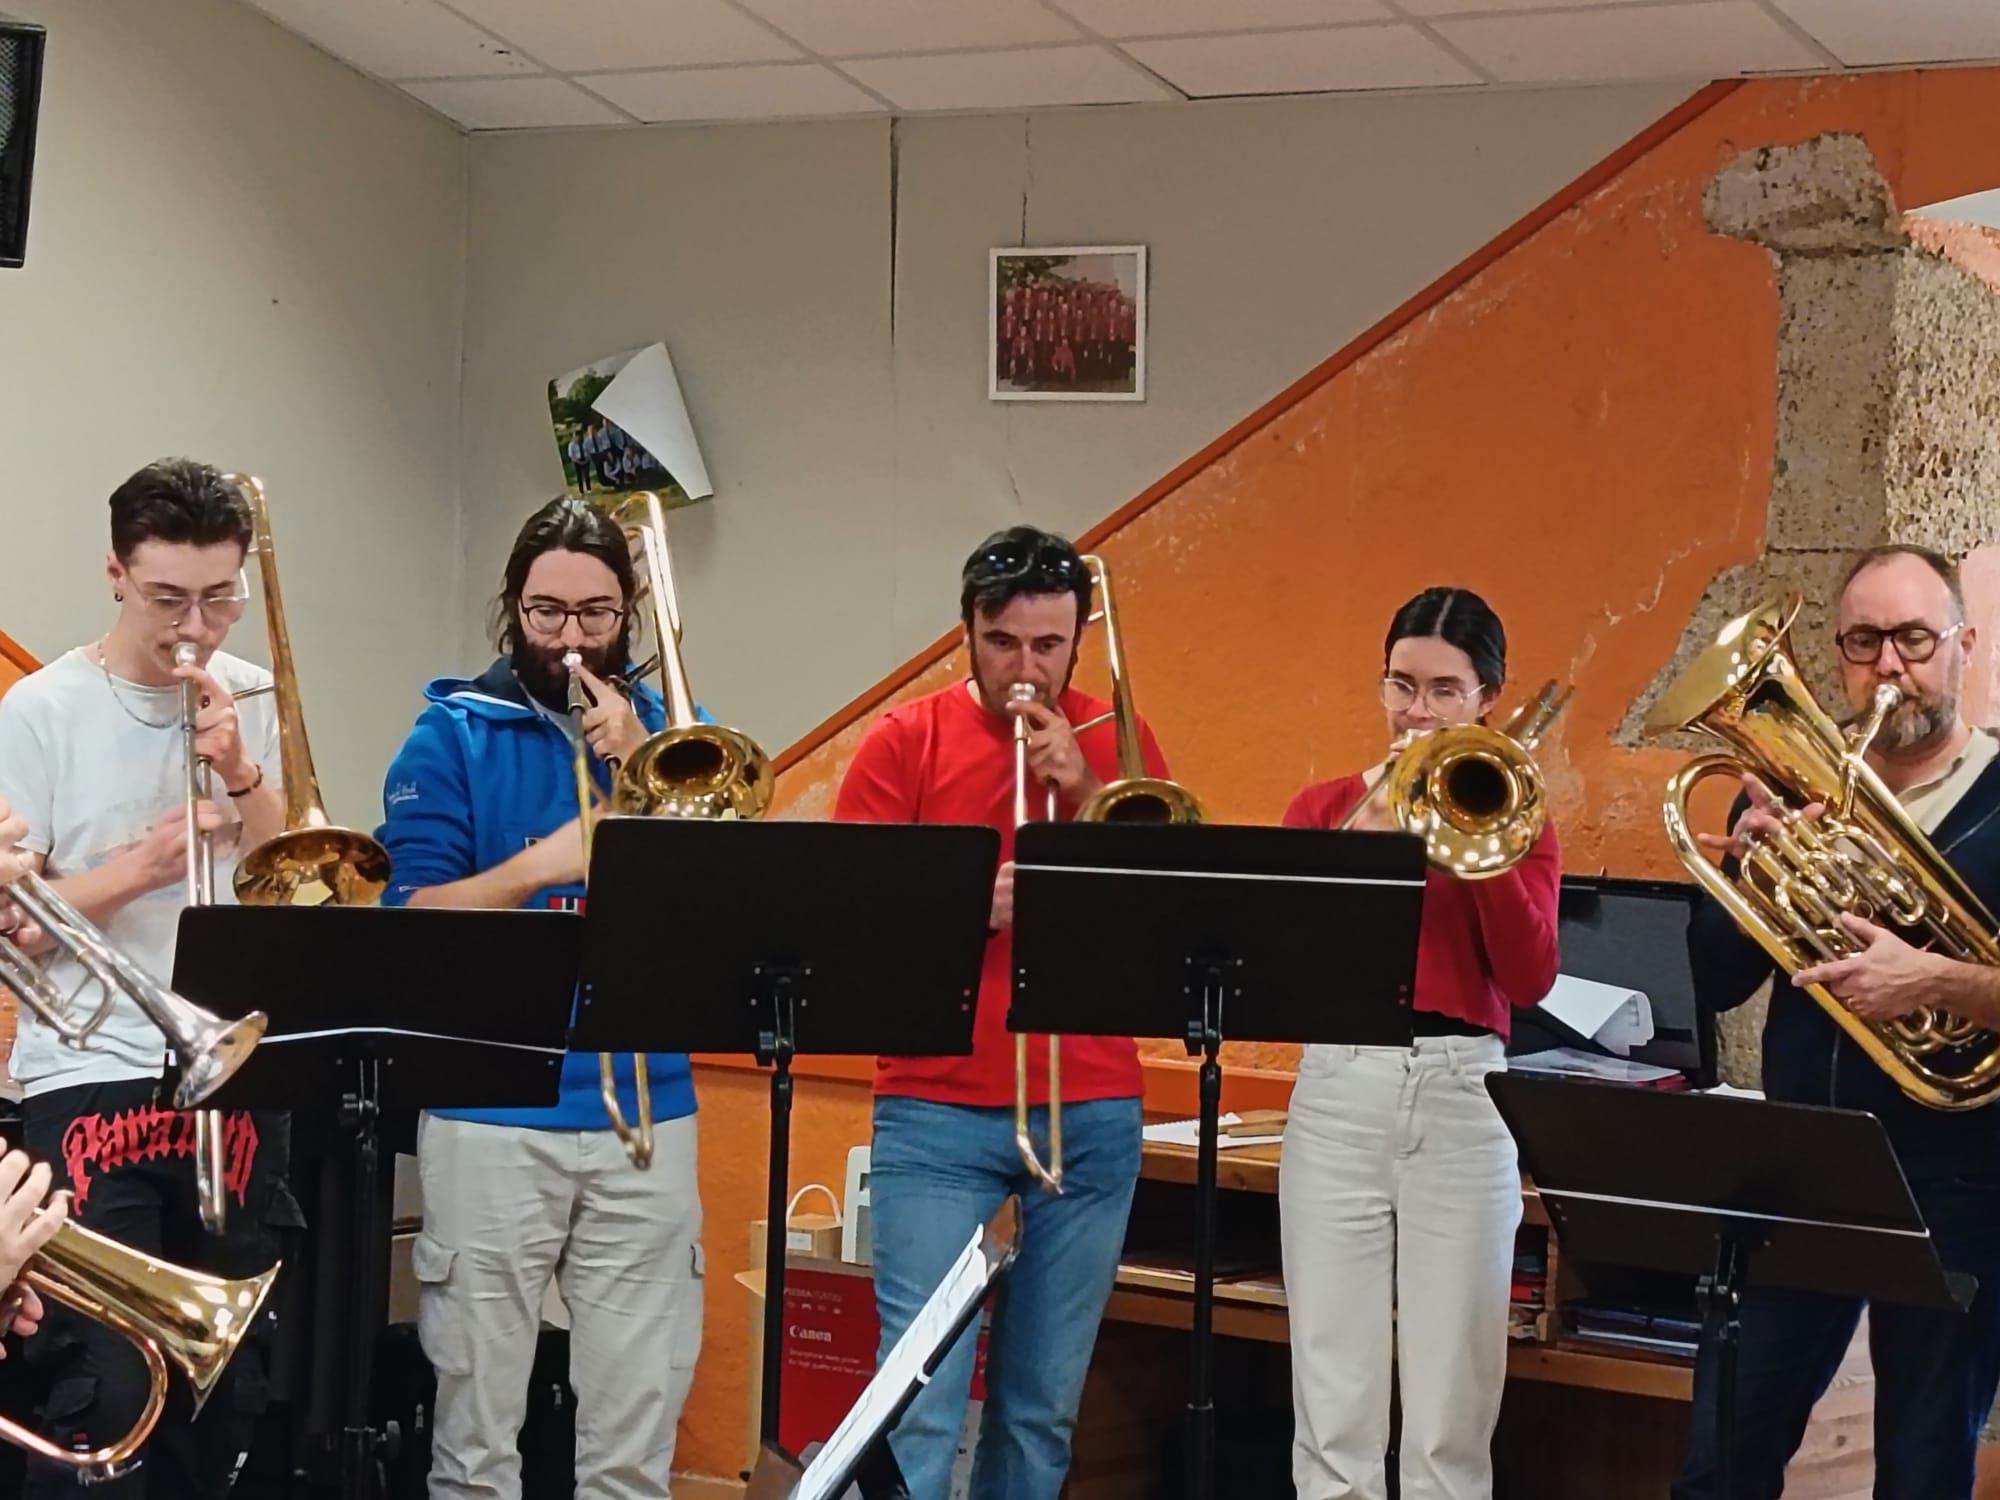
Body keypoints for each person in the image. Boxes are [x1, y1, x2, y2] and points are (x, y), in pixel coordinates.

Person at [833, 525, 1170, 1500]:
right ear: (966, 636)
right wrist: (964, 907)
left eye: (1048, 646)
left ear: (1078, 641)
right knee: (920, 1402)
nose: (1026, 669)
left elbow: (1162, 917)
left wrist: (1086, 787)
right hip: (935, 1106)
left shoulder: (1118, 743)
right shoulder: (904, 741)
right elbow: (845, 916)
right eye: (1002, 643)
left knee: (1040, 1411)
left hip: (1089, 1107)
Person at [378, 494, 704, 1500]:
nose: (570, 638)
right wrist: (545, 864)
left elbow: (719, 905)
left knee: (633, 1449)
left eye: (595, 614)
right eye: (546, 612)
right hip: (490, 1110)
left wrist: (639, 773)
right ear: (512, 607)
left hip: (645, 1104)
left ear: (628, 613)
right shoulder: (449, 735)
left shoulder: (678, 741)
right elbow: (409, 918)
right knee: (476, 1449)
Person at [1673, 544, 2000, 1500]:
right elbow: (1715, 979)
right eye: (1864, 641)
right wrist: (1742, 868)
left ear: (1963, 645)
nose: (1888, 665)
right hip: (1803, 1168)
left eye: (1914, 639)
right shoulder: (1794, 790)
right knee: (1719, 1463)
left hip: (1961, 1179)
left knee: (1921, 1471)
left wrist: (1931, 978)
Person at [0, 458, 293, 1499]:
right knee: (110, 1383)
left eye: (220, 598)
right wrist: (144, 866)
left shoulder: (249, 694)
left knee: (227, 1400)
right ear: (115, 574)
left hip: (232, 1070)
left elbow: (299, 881)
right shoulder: (41, 709)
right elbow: (15, 927)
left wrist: (243, 774)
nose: (195, 627)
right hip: (87, 1067)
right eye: (169, 598)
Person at [1277, 585, 1561, 1500]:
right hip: (1341, 1086)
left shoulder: (1517, 816)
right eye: (1401, 685)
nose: (1417, 710)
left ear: (1487, 699)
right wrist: (1372, 835)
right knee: (1334, 1399)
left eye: (1444, 690)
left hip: (1463, 1092)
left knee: (1450, 1414)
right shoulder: (1324, 808)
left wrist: (1473, 846)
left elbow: (1529, 978)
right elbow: (1292, 965)